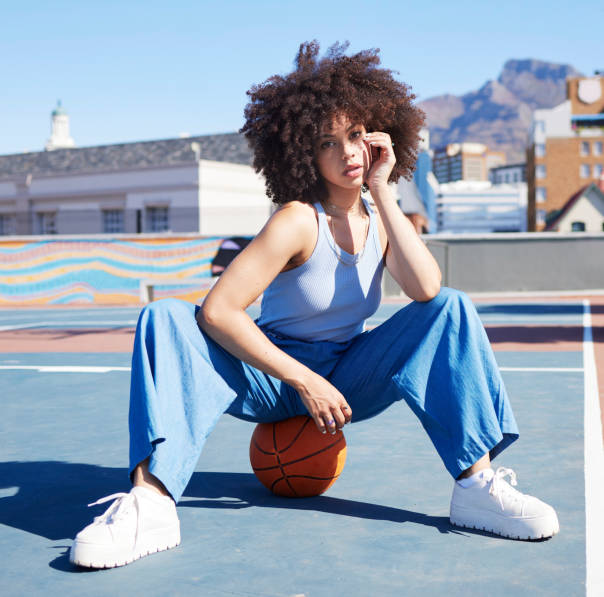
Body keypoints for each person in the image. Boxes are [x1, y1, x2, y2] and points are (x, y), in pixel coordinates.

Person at [70, 41, 559, 569]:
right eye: (329, 143)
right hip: (273, 378)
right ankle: (152, 500)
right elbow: (218, 311)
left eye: (355, 136)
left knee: (451, 308)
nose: (347, 152)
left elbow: (426, 291)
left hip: (350, 377)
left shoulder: (380, 218)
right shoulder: (298, 219)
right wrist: (303, 379)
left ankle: (476, 486)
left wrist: (384, 188)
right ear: (305, 153)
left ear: (377, 135)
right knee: (164, 316)